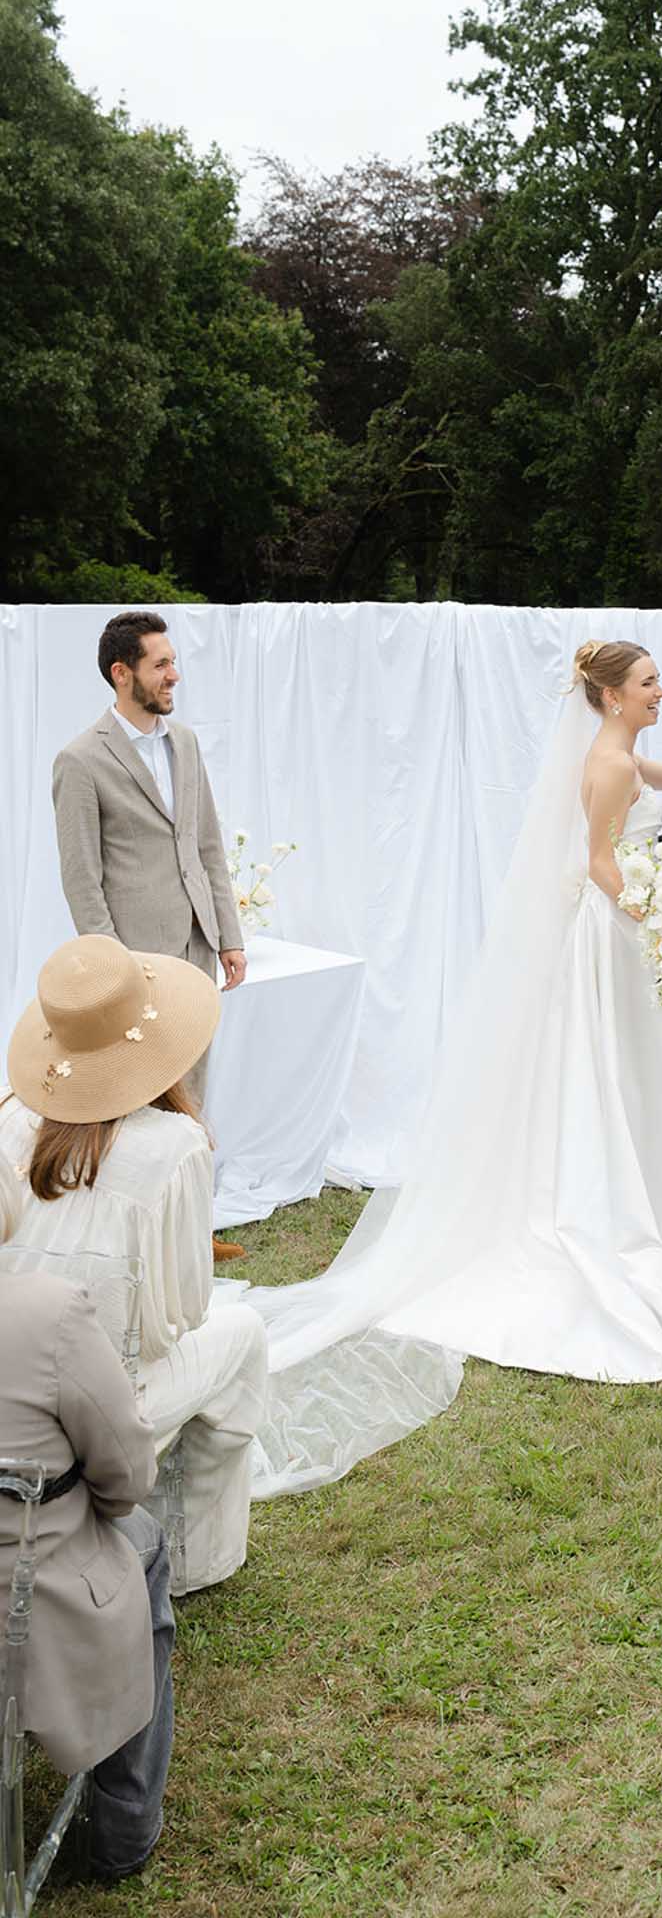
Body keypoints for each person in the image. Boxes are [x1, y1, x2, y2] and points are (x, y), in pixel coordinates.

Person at [243, 639, 662, 1457]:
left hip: (633, 934)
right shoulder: (607, 766)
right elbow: (602, 863)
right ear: (612, 697)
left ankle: (661, 1200)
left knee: (648, 1078)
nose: (661, 691)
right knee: (613, 1074)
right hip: (617, 934)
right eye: (649, 683)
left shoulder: (625, 753)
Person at [0, 936, 268, 1591]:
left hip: (10, 1388)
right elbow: (174, 1322)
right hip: (103, 1405)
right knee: (245, 1337)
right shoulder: (172, 1147)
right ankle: (194, 1561)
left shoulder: (9, 1120)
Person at [0, 1158, 176, 1883]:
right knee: (146, 1548)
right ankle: (124, 1827)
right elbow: (129, 1472)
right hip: (33, 1592)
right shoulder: (46, 1312)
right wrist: (91, 1510)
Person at [52, 611, 245, 1111]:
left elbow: (207, 846)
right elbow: (81, 878)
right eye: (161, 665)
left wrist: (229, 937)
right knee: (138, 1087)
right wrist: (113, 968)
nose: (174, 675)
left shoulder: (185, 742)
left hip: (197, 947)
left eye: (173, 663)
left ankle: (192, 1180)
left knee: (193, 1079)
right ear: (122, 673)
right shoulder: (80, 761)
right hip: (136, 958)